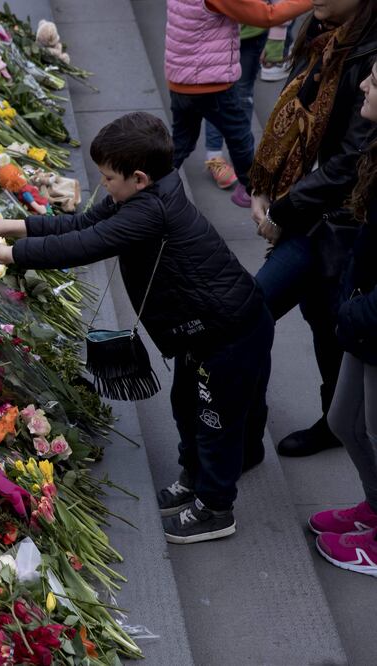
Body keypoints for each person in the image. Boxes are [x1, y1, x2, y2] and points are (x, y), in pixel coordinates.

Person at [0, 112, 274, 545]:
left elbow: (84, 245)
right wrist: (17, 227)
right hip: (202, 330)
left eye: (109, 178)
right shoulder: (140, 195)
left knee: (215, 418)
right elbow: (83, 223)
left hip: (228, 332)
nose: (104, 185)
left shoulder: (151, 212)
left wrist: (11, 256)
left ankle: (215, 506)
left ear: (139, 178)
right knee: (186, 403)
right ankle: (194, 474)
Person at [249, 0, 377, 458]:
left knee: (317, 321)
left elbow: (350, 163)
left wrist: (283, 212)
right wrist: (263, 186)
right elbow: (292, 110)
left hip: (338, 223)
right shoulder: (321, 32)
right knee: (262, 314)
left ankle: (335, 424)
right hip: (305, 213)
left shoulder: (368, 51)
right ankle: (251, 433)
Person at [312, 56, 377, 576]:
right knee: (345, 421)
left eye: (374, 82)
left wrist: (358, 310)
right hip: (365, 315)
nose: (363, 87)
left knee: (373, 429)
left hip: (373, 318)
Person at [164, 0, 311, 208]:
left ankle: (150, 187)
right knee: (239, 135)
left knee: (181, 141)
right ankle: (254, 190)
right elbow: (267, 16)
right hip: (211, 84)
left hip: (180, 79)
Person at [204, 24, 271, 189]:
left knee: (243, 94)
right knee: (216, 93)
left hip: (252, 31)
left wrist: (275, 39)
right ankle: (215, 157)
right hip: (215, 33)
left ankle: (242, 157)